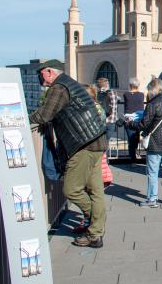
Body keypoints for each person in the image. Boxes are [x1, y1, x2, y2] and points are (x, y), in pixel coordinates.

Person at [29, 60, 107, 248]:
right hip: (96, 141)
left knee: (71, 189)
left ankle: (95, 224)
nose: (40, 78)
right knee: (95, 191)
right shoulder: (69, 84)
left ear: (49, 72)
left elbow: (43, 116)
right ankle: (95, 232)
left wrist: (17, 118)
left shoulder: (59, 88)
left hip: (83, 145)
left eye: (41, 74)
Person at [126, 78, 162, 206]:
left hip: (156, 142)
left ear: (153, 89)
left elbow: (143, 124)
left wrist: (130, 123)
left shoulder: (152, 104)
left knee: (153, 172)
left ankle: (152, 199)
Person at [122, 78, 145, 163]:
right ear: (138, 85)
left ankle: (133, 159)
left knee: (131, 140)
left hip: (129, 119)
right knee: (136, 138)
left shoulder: (126, 94)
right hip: (139, 120)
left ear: (130, 85)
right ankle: (135, 154)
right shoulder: (141, 95)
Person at [96, 77, 118, 142]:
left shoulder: (96, 93)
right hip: (110, 120)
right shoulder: (112, 92)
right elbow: (114, 106)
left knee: (100, 140)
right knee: (107, 141)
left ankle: (102, 151)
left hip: (99, 120)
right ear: (107, 84)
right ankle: (105, 152)